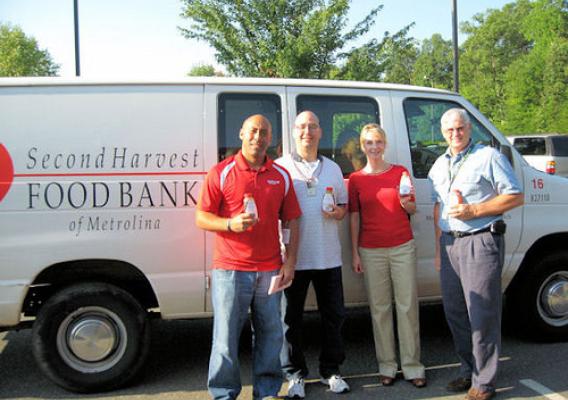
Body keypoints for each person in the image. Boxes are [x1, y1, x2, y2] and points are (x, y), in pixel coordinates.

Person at [196, 114, 302, 400]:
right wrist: (230, 224)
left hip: (270, 270)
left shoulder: (281, 176)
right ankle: (223, 394)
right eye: (253, 131)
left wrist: (290, 262)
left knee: (270, 337)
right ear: (241, 134)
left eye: (264, 132)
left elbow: (291, 220)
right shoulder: (221, 171)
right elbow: (202, 217)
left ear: (271, 138)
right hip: (230, 270)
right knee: (225, 340)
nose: (258, 136)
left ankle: (266, 392)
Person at [428, 108, 523, 400]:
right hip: (450, 244)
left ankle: (484, 381)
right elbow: (437, 209)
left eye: (460, 129)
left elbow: (515, 195)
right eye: (449, 130)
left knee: (481, 313)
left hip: (481, 241)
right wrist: (438, 249)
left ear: (469, 129)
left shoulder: (488, 157)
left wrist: (474, 210)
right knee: (455, 312)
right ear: (442, 133)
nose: (455, 134)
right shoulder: (438, 165)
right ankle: (468, 368)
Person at [276, 111, 350, 398]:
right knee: (289, 320)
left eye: (313, 127)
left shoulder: (332, 168)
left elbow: (343, 208)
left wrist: (337, 212)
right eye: (302, 127)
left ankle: (331, 371)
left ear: (320, 133)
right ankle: (294, 375)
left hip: (328, 256)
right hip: (291, 258)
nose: (307, 131)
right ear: (294, 133)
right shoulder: (281, 168)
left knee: (334, 316)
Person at [348, 123, 426, 389]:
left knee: (407, 307)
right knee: (380, 310)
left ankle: (413, 366)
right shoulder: (356, 179)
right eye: (369, 143)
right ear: (362, 146)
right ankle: (387, 366)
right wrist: (354, 252)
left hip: (402, 246)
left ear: (385, 144)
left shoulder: (400, 172)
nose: (374, 147)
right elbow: (354, 217)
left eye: (378, 142)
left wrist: (409, 205)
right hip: (371, 250)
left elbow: (412, 207)